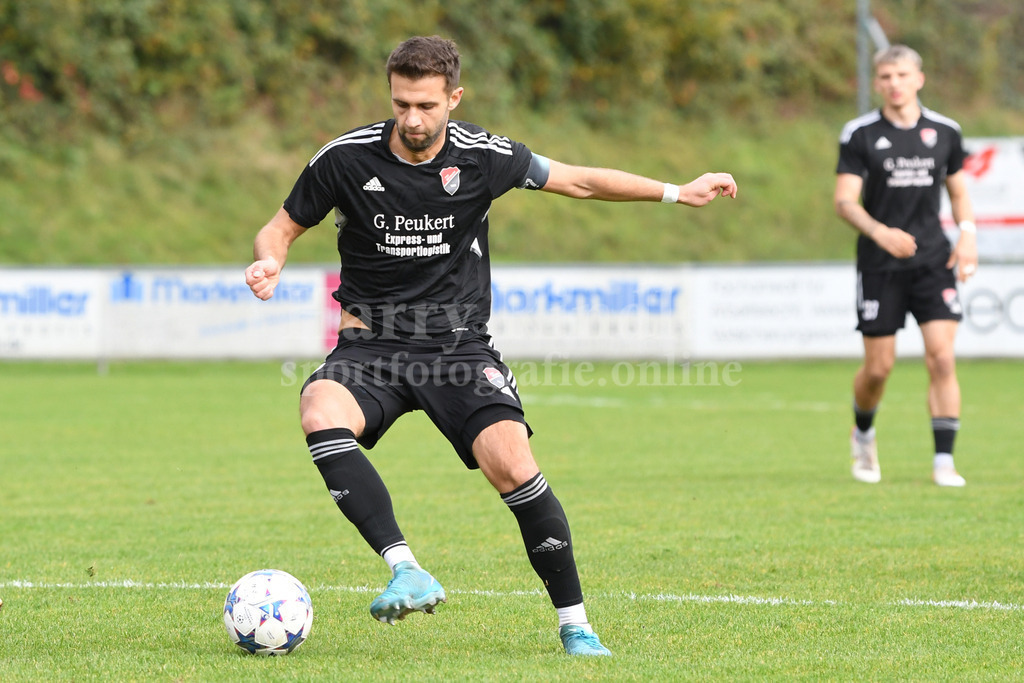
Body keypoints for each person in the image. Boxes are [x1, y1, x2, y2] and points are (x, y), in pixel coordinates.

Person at [245, 35, 738, 656]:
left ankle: (575, 625)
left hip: (457, 350)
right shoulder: (345, 159)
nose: (412, 119)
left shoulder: (484, 155)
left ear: (454, 97)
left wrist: (676, 191)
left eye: (426, 105)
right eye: (401, 104)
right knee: (319, 408)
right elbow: (281, 226)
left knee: (514, 468)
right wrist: (269, 262)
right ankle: (405, 568)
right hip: (371, 348)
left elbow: (579, 182)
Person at [834, 44, 977, 487]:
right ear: (877, 83)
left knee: (942, 358)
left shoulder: (945, 132)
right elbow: (844, 201)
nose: (894, 84)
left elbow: (958, 191)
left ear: (919, 79)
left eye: (901, 75)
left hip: (934, 259)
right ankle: (863, 431)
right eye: (885, 77)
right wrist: (880, 233)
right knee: (879, 368)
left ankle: (943, 463)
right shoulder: (859, 133)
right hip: (879, 263)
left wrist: (968, 233)